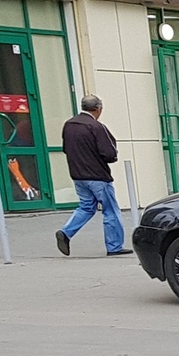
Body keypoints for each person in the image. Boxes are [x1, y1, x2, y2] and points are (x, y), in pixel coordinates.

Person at [54, 95, 126, 258]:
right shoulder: (97, 127)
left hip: (78, 175)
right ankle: (114, 246)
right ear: (98, 108)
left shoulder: (69, 125)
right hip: (98, 176)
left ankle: (65, 232)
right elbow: (109, 153)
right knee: (111, 210)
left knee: (86, 207)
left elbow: (66, 148)